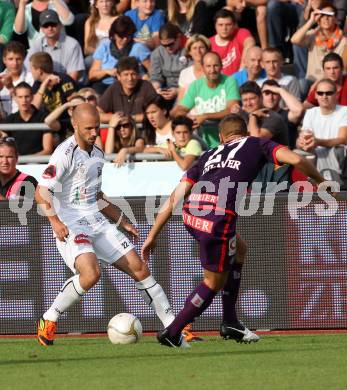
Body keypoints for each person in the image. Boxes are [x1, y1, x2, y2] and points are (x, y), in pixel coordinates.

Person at [141, 113, 327, 348]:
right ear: (245, 133)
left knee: (240, 249)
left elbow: (175, 197)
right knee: (212, 283)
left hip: (191, 214)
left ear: (221, 137)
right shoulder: (256, 143)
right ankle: (173, 331)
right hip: (217, 219)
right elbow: (297, 160)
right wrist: (321, 181)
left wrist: (152, 235)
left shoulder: (208, 154)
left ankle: (230, 322)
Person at [35, 103, 179, 347]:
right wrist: (55, 221)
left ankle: (175, 327)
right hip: (71, 222)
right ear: (75, 126)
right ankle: (49, 319)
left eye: (97, 127)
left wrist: (122, 221)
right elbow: (41, 192)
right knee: (91, 274)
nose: (94, 133)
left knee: (140, 268)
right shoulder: (64, 153)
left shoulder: (98, 154)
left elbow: (97, 195)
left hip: (96, 220)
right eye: (89, 128)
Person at [171, 51, 240, 149]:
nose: (212, 70)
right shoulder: (196, 85)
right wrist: (187, 118)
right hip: (203, 143)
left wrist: (205, 116)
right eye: (208, 66)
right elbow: (181, 109)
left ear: (221, 66)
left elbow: (231, 110)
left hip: (228, 142)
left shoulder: (230, 82)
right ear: (203, 68)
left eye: (215, 65)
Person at [297, 78, 347, 183]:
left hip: (337, 156)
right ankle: (308, 187)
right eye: (320, 93)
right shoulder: (310, 113)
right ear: (315, 95)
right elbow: (305, 137)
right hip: (316, 155)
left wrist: (317, 142)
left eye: (328, 93)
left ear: (336, 95)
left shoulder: (344, 111)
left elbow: (343, 139)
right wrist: (302, 143)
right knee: (296, 154)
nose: (324, 96)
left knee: (340, 150)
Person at [89, 16, 151, 95]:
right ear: (114, 35)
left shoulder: (139, 48)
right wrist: (106, 71)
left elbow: (152, 71)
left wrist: (140, 77)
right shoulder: (104, 46)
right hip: (107, 85)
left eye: (128, 36)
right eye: (121, 36)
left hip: (132, 86)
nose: (125, 39)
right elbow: (92, 75)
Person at [291, 3, 347, 82]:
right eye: (323, 15)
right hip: (312, 81)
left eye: (329, 15)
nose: (326, 18)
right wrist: (311, 21)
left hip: (333, 82)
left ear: (335, 19)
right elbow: (294, 40)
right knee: (302, 84)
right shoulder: (313, 35)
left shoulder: (344, 40)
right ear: (318, 19)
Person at [25, 9, 85, 82]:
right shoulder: (37, 44)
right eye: (46, 25)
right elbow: (28, 70)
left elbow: (73, 77)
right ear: (41, 28)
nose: (50, 28)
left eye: (53, 24)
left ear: (60, 25)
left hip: (69, 86)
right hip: (46, 85)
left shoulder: (72, 44)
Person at [97, 56, 157, 124]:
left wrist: (130, 118)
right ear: (118, 76)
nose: (130, 78)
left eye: (133, 74)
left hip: (144, 132)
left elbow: (156, 113)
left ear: (138, 75)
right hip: (121, 133)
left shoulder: (146, 86)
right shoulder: (114, 88)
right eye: (126, 74)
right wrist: (117, 118)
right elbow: (98, 113)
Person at [1, 82, 56, 156]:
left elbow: (47, 150)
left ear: (32, 97)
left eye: (27, 96)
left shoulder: (43, 117)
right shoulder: (10, 120)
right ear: (15, 98)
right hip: (16, 164)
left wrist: (26, 161)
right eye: (20, 97)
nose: (24, 100)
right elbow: (4, 148)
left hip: (38, 164)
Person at [150, 23, 189, 104]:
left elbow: (193, 77)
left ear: (178, 37)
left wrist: (178, 91)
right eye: (164, 45)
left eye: (171, 44)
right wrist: (157, 88)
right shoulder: (158, 53)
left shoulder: (189, 49)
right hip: (166, 88)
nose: (168, 48)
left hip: (186, 90)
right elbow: (156, 76)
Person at [209, 9, 255, 76]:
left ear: (234, 25)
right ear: (215, 26)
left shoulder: (240, 33)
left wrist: (241, 70)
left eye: (228, 24)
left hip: (241, 79)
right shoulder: (209, 43)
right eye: (220, 25)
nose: (224, 28)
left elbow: (250, 43)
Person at [261, 79, 304, 149]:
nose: (270, 97)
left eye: (274, 93)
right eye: (267, 93)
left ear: (280, 96)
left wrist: (280, 90)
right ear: (261, 96)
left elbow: (299, 111)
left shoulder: (286, 115)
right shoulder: (256, 116)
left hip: (286, 157)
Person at [0, 41, 34, 117]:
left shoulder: (32, 78)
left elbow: (32, 106)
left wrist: (11, 88)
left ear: (24, 59)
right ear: (4, 60)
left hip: (25, 125)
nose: (15, 63)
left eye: (18, 59)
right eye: (10, 59)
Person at [177, 34, 211, 106]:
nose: (198, 51)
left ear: (207, 50)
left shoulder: (214, 71)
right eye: (194, 48)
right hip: (189, 114)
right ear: (189, 52)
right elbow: (180, 101)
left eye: (201, 47)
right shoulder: (184, 73)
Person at [84, 0, 118, 65]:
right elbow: (87, 49)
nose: (105, 4)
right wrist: (101, 53)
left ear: (112, 3)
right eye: (101, 1)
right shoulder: (90, 22)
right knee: (87, 61)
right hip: (96, 55)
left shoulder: (118, 19)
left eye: (107, 1)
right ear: (96, 5)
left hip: (115, 55)